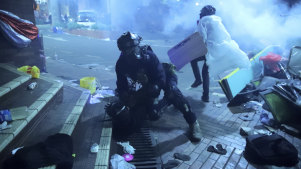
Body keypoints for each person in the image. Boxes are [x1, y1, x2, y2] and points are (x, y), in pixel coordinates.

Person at [111, 31, 202, 141]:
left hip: (165, 76)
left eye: (130, 49)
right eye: (124, 50)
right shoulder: (121, 63)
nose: (127, 53)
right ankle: (167, 101)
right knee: (153, 115)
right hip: (148, 86)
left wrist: (149, 91)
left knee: (172, 91)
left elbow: (160, 80)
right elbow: (121, 85)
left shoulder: (149, 57)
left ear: (136, 46)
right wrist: (125, 97)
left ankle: (193, 122)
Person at [189, 5, 215, 102]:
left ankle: (198, 81)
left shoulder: (204, 22)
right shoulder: (216, 22)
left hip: (208, 51)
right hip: (214, 51)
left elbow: (202, 37)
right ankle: (205, 96)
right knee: (205, 72)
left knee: (194, 60)